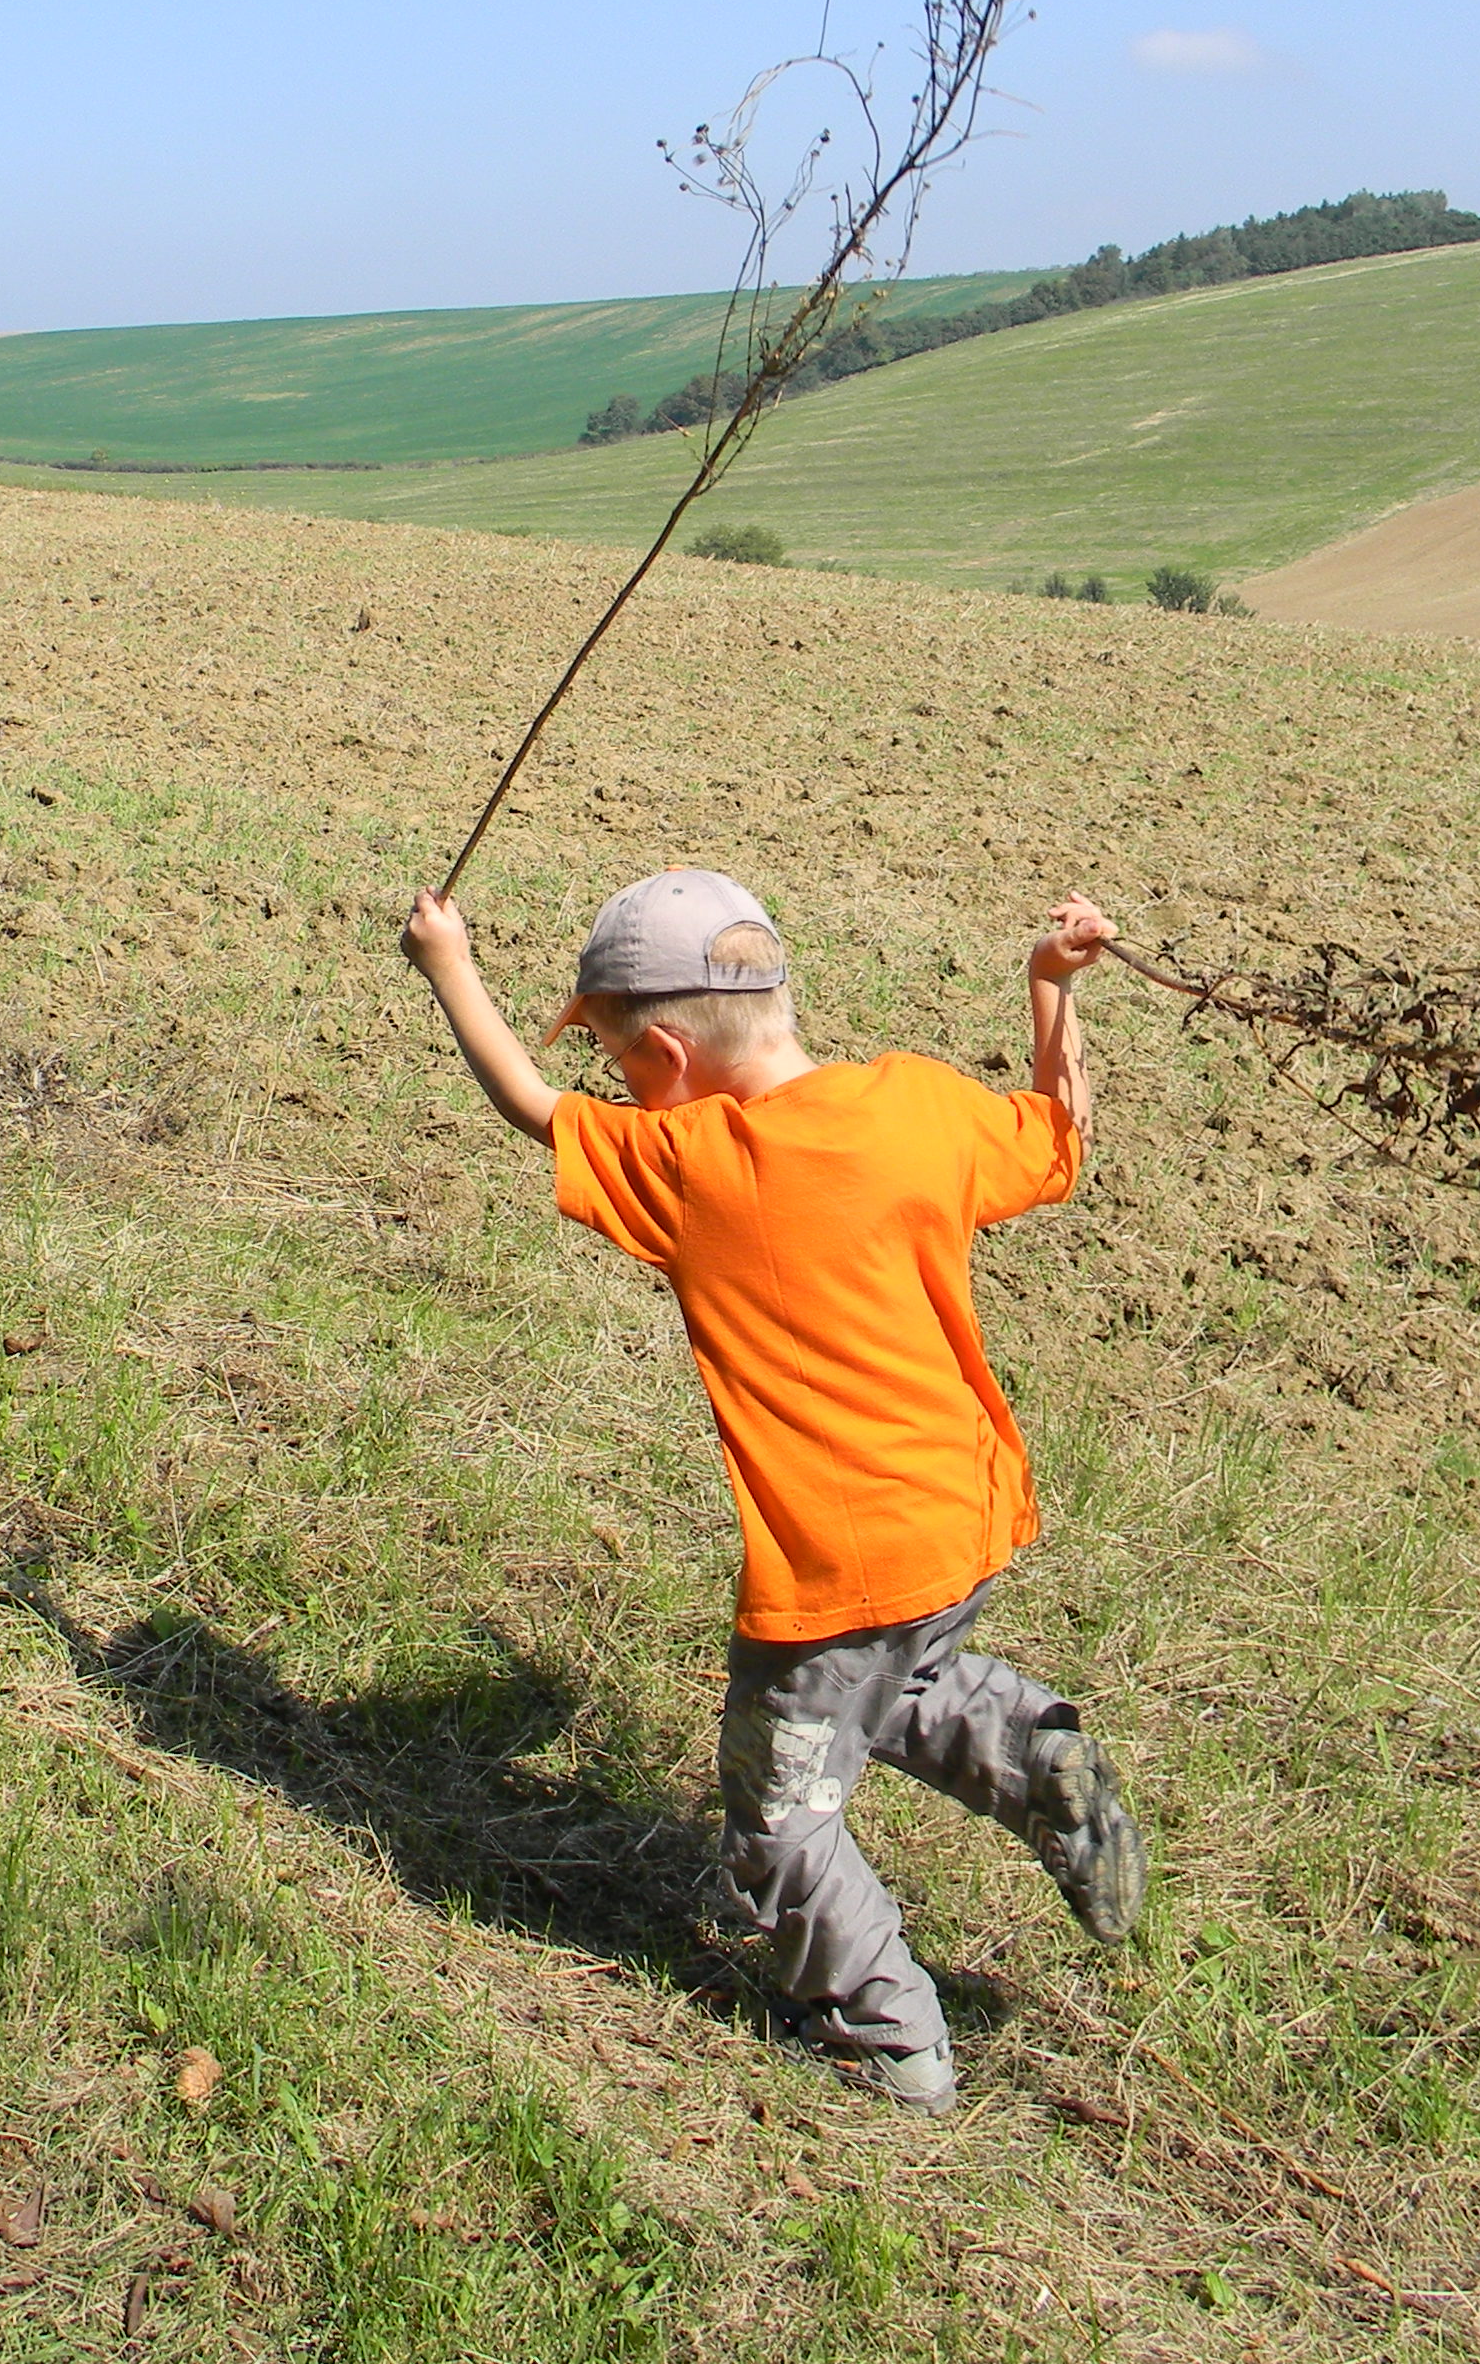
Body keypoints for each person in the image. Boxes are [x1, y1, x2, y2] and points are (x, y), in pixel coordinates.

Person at [397, 866, 1145, 2114]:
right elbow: (1056, 1136)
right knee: (896, 1685)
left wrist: (446, 966)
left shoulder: (701, 1162)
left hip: (833, 1567)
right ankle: (1029, 1753)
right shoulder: (916, 1106)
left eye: (624, 1061)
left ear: (674, 1057)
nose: (617, 1085)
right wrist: (1050, 991)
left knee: (779, 1817)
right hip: (960, 1521)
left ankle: (888, 2039)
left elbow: (529, 1104)